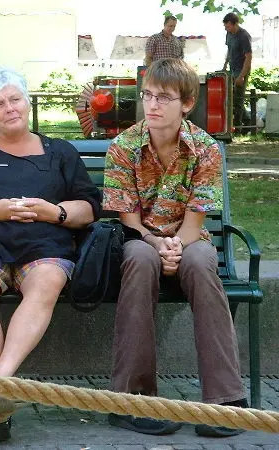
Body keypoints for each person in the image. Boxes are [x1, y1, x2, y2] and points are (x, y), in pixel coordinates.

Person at [0, 66, 101, 441]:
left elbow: (89, 208)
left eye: (15, 99)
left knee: (48, 281)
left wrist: (52, 212)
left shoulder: (60, 151)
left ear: (27, 101)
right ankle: (1, 395)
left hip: (46, 247)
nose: (9, 108)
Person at [103, 58, 248, 438]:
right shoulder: (124, 146)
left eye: (163, 97)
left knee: (202, 263)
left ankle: (225, 400)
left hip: (188, 238)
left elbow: (195, 223)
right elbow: (129, 220)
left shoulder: (205, 149)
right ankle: (132, 399)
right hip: (142, 238)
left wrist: (175, 248)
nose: (152, 104)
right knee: (137, 260)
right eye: (147, 95)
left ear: (185, 103)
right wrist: (156, 243)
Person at [222, 12, 252, 134]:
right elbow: (229, 50)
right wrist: (224, 65)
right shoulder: (228, 34)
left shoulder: (244, 36)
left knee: (238, 100)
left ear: (235, 24)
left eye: (228, 26)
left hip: (242, 70)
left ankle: (238, 129)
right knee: (231, 98)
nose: (226, 28)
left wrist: (241, 76)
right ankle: (248, 122)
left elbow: (249, 57)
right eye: (225, 26)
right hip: (232, 69)